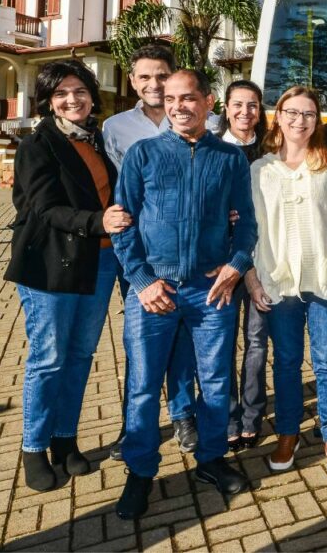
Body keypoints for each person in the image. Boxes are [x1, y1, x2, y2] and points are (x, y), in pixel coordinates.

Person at [112, 69, 257, 520]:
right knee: (142, 385)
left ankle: (211, 459)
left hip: (210, 291)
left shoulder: (230, 159)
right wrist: (141, 281)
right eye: (170, 98)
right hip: (154, 290)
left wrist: (235, 267)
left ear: (208, 101)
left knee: (215, 381)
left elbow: (247, 225)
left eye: (188, 98)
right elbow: (123, 224)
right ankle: (140, 472)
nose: (178, 106)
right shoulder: (143, 154)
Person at [5, 60, 132, 491]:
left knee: (79, 357)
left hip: (99, 262)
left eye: (79, 91)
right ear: (48, 100)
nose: (72, 100)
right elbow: (43, 208)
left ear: (92, 94)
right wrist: (99, 222)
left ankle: (65, 440)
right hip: (51, 266)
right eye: (61, 94)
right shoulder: (37, 144)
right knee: (49, 359)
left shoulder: (96, 139)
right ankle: (33, 447)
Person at [244, 86, 327, 475]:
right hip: (277, 281)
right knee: (284, 363)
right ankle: (287, 434)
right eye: (293, 112)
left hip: (326, 277)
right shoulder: (259, 170)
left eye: (309, 114)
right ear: (278, 116)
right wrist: (251, 280)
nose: (300, 120)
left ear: (318, 121)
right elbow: (248, 230)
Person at [103, 45, 210, 458]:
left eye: (161, 76)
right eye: (144, 77)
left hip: (187, 258)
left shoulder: (199, 118)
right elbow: (121, 192)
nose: (153, 84)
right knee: (141, 344)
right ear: (132, 81)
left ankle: (183, 414)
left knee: (182, 338)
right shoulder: (114, 128)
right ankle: (135, 426)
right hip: (139, 256)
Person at [216, 80, 268, 451]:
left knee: (256, 341)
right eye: (238, 104)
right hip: (221, 263)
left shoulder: (271, 151)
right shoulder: (212, 149)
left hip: (263, 260)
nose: (245, 112)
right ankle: (228, 415)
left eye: (252, 105)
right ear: (226, 107)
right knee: (221, 342)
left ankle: (252, 415)